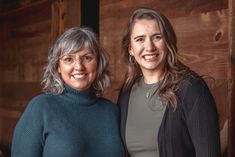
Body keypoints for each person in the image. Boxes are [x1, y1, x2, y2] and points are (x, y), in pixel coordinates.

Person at [117, 7, 221, 157]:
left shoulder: (191, 89)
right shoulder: (127, 92)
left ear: (168, 42)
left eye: (157, 37)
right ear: (130, 49)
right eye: (140, 39)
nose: (149, 47)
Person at [11, 27, 124, 157]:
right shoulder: (40, 108)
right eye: (69, 59)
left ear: (98, 63)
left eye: (87, 58)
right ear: (57, 66)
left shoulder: (111, 111)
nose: (79, 67)